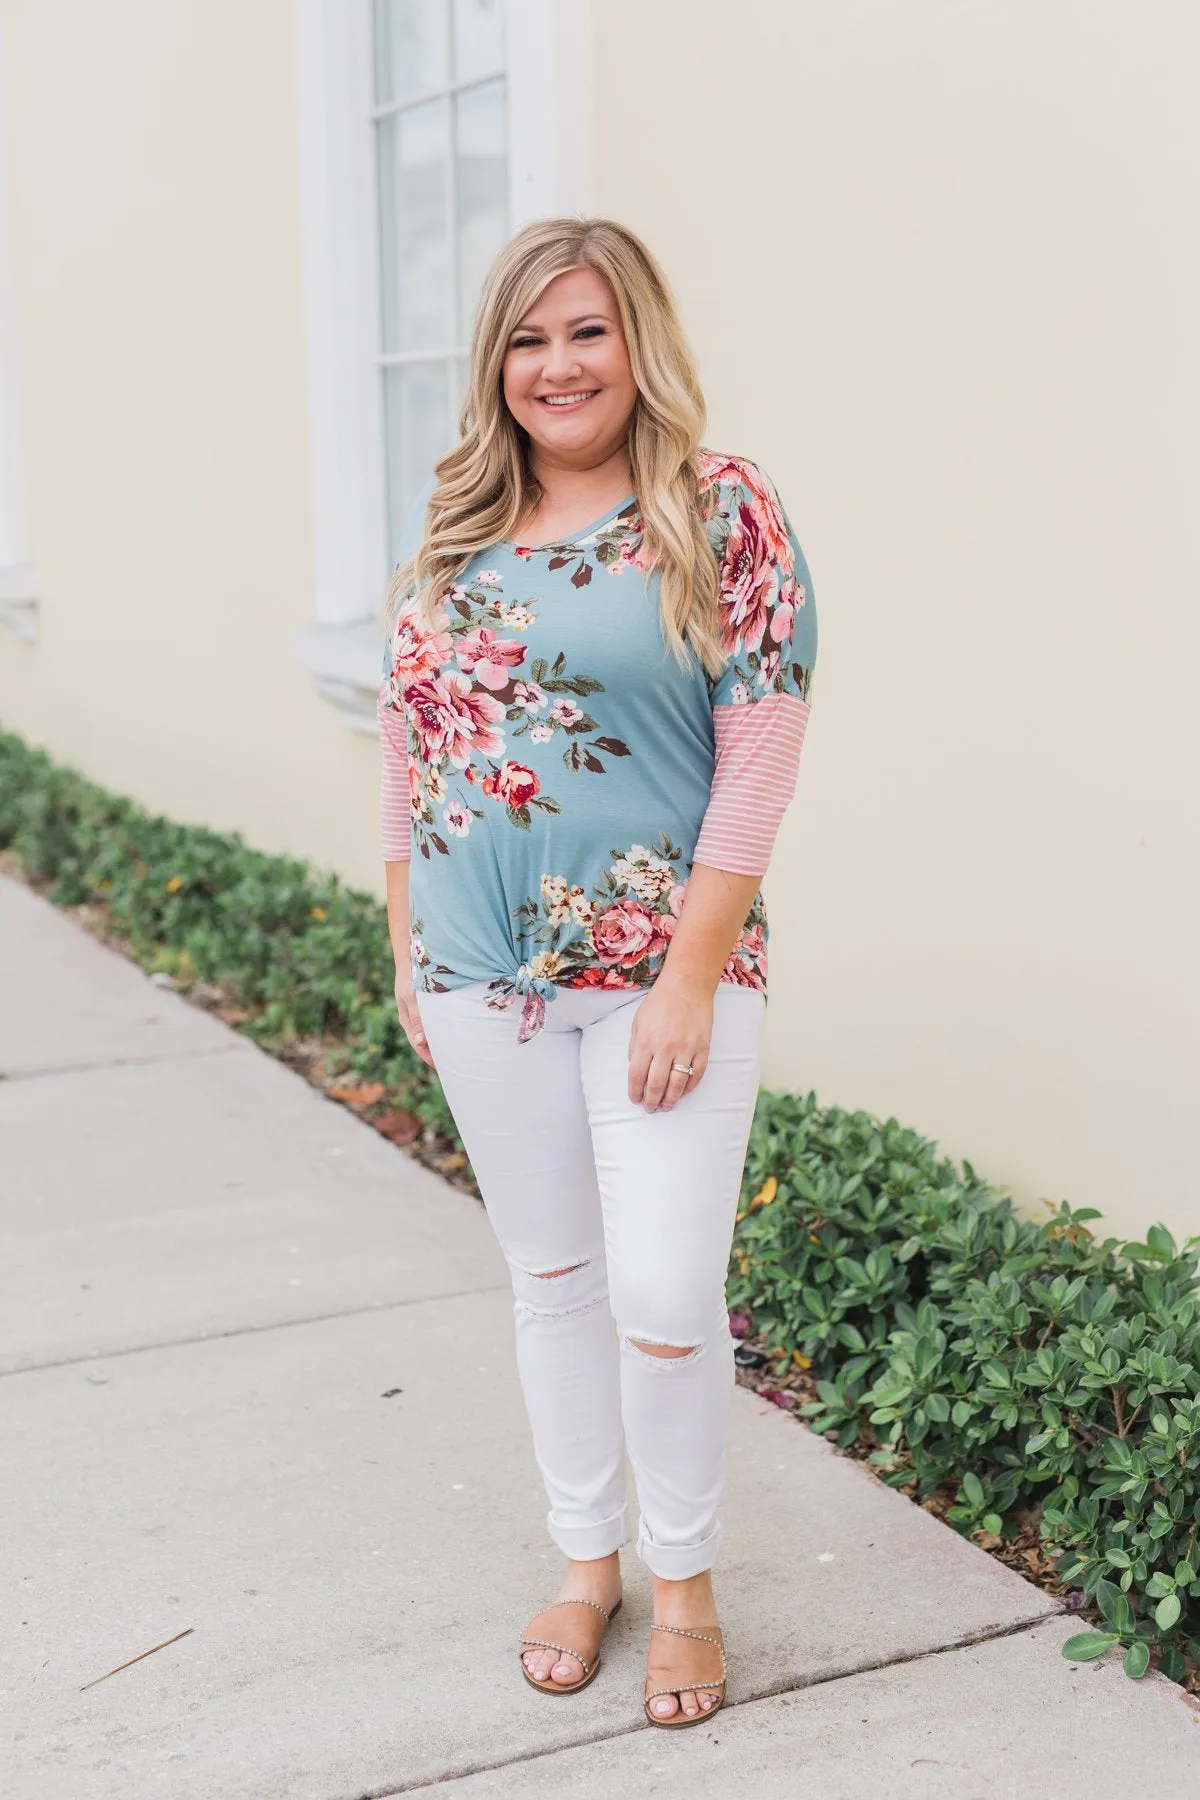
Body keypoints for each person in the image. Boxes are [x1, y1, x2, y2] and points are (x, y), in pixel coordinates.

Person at [376, 217, 816, 1728]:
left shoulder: (721, 510)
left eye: (585, 332)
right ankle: (589, 1558)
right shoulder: (450, 535)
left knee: (668, 1287)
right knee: (552, 1279)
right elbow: (407, 749)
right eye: (526, 339)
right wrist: (401, 938)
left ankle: (684, 1577)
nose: (556, 366)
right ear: (495, 366)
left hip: (661, 978)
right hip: (478, 976)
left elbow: (757, 764)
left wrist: (692, 976)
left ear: (637, 343)